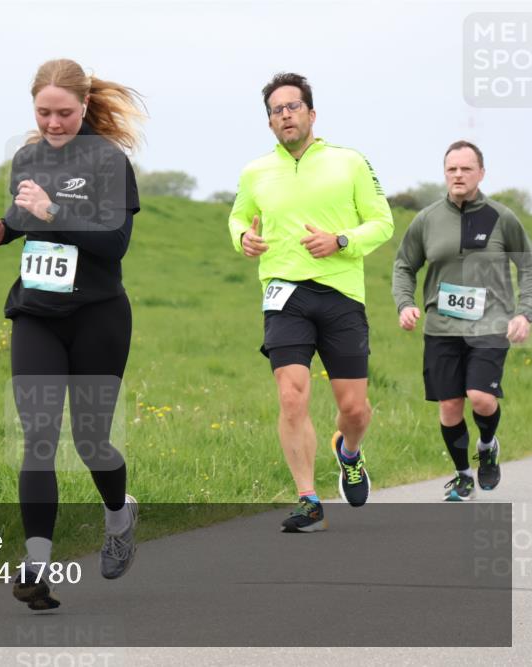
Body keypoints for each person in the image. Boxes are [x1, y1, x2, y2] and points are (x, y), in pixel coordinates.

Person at [0, 58, 145, 609]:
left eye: (64, 113)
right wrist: (2, 230)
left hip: (98, 315)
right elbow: (25, 218)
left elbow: (114, 244)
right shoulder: (27, 157)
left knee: (91, 442)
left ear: (84, 105)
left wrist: (53, 214)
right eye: (43, 112)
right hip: (36, 313)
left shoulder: (108, 160)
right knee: (39, 439)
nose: (52, 122)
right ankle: (37, 568)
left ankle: (119, 515)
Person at [227, 72, 394, 533]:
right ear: (270, 122)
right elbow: (238, 215)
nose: (285, 115)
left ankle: (349, 452)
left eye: (293, 106)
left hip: (341, 293)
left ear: (311, 113)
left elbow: (382, 222)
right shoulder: (255, 171)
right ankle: (308, 499)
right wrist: (243, 236)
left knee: (355, 409)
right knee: (291, 394)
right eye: (277, 110)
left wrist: (341, 240)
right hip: (285, 294)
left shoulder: (350, 162)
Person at [392, 140, 531, 501]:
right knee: (451, 406)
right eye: (452, 169)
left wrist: (525, 312)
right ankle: (463, 475)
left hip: (490, 326)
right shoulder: (426, 220)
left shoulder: (503, 218)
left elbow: (527, 265)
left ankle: (487, 446)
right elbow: (404, 265)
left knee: (481, 398)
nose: (458, 175)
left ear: (481, 173)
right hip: (442, 328)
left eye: (466, 169)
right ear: (444, 173)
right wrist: (404, 304)